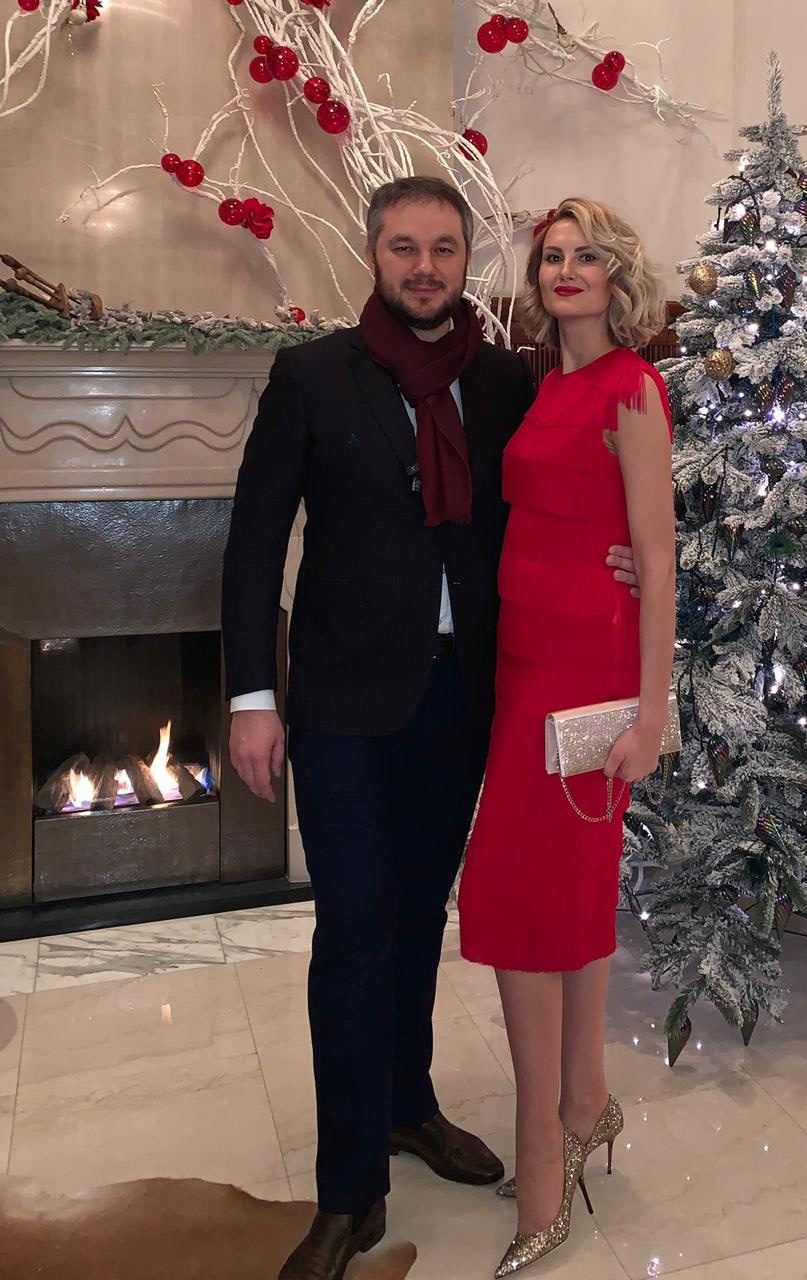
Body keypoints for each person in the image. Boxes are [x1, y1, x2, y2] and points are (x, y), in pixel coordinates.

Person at [221, 176, 640, 1280]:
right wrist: (252, 697)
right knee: (355, 930)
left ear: (465, 262)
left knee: (418, 919)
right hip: (345, 709)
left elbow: (574, 487)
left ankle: (408, 1104)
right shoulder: (312, 375)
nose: (423, 266)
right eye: (404, 247)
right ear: (374, 255)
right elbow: (254, 541)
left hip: (468, 702)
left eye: (443, 248)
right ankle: (349, 1190)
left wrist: (634, 561)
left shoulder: (507, 379)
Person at [457, 197, 676, 1277]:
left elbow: (657, 557)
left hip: (585, 671)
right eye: (552, 256)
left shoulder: (633, 386)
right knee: (570, 892)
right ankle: (585, 1099)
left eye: (588, 255)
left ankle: (544, 1142)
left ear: (616, 275)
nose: (567, 270)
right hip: (522, 661)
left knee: (512, 896)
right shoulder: (542, 383)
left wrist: (653, 710)